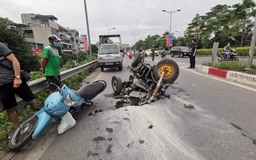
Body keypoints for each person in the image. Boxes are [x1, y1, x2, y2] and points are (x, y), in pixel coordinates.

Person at [0, 42, 39, 127]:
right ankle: (18, 131)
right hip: (2, 86)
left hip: (16, 79)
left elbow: (14, 60)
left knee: (31, 101)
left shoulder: (0, 46)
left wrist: (17, 77)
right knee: (10, 109)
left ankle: (39, 118)